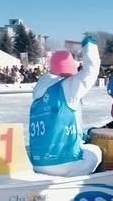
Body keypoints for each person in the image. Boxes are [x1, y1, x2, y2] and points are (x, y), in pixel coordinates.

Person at [28, 35, 101, 177]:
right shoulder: (67, 86)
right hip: (63, 162)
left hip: (37, 162)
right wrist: (90, 46)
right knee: (96, 152)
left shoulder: (38, 95)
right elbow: (91, 71)